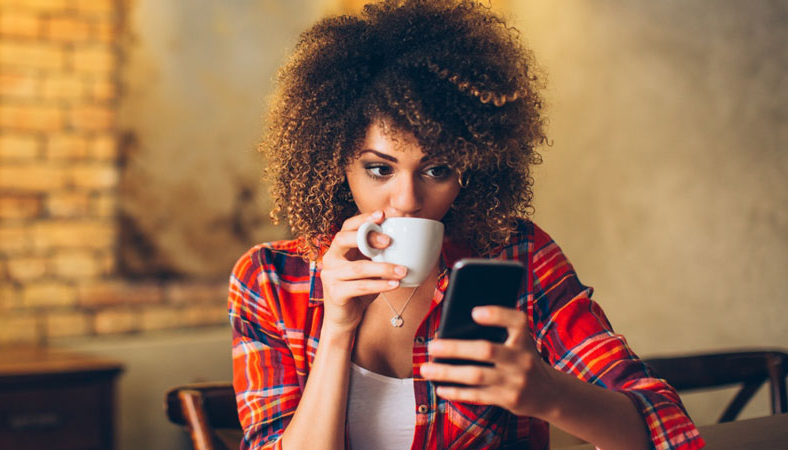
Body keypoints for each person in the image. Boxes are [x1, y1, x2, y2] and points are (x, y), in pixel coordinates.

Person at [228, 1, 704, 449]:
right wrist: (336, 328)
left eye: (437, 170)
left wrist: (547, 393)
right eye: (379, 169)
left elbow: (661, 421)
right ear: (336, 162)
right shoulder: (270, 280)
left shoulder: (514, 254)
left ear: (473, 167)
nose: (408, 199)